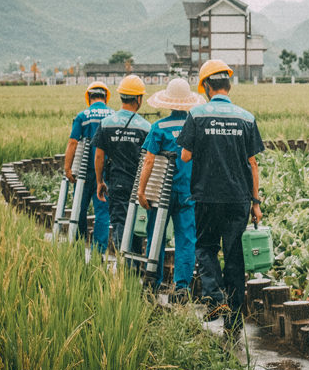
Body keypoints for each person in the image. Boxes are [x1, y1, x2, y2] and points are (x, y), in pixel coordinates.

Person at [177, 60, 264, 331]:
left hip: (207, 196)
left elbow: (186, 155)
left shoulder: (196, 114)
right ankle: (234, 318)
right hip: (239, 198)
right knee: (235, 256)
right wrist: (256, 202)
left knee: (205, 248)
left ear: (205, 86)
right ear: (229, 84)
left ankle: (215, 298)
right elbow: (252, 164)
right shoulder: (246, 117)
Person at [137, 78, 206, 302]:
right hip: (188, 192)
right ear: (188, 102)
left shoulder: (159, 127)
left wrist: (141, 190)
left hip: (160, 192)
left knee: (156, 234)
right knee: (186, 239)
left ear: (169, 102)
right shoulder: (196, 126)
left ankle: (152, 282)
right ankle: (181, 288)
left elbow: (148, 162)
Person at [93, 75, 151, 251]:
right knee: (137, 224)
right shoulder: (146, 127)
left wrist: (99, 181)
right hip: (138, 184)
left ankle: (124, 264)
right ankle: (134, 266)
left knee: (119, 221)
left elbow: (99, 157)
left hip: (116, 183)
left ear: (121, 96)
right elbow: (149, 159)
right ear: (139, 99)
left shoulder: (106, 124)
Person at [65, 82, 115, 252]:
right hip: (106, 173)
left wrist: (67, 168)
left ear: (89, 97)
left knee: (80, 207)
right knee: (102, 212)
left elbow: (73, 142)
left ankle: (79, 245)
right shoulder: (113, 115)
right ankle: (98, 251)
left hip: (84, 173)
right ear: (106, 97)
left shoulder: (82, 116)